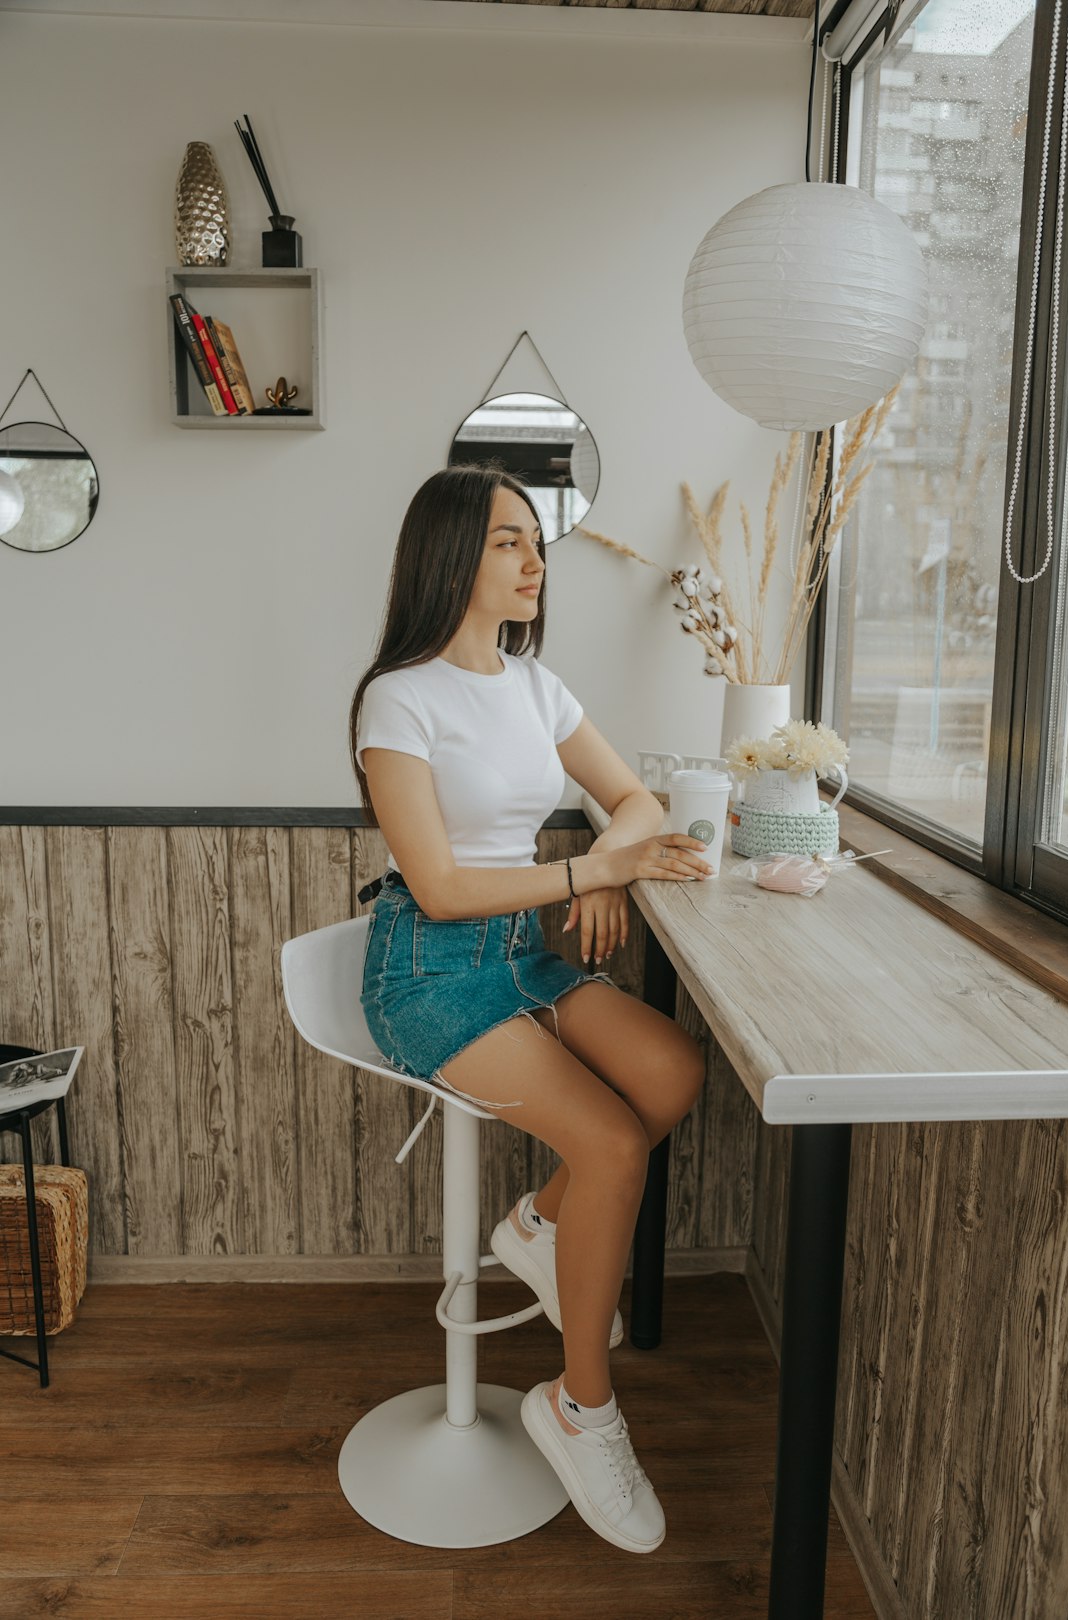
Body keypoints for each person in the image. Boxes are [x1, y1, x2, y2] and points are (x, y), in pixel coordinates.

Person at [348, 464, 710, 1555]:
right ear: (451, 556)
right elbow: (446, 886)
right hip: (427, 971)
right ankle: (580, 1406)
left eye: (535, 543)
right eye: (510, 541)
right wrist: (588, 881)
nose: (534, 562)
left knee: (672, 1073)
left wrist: (606, 858)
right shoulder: (397, 697)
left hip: (519, 956)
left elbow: (635, 798)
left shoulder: (534, 683)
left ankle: (540, 1225)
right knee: (609, 1141)